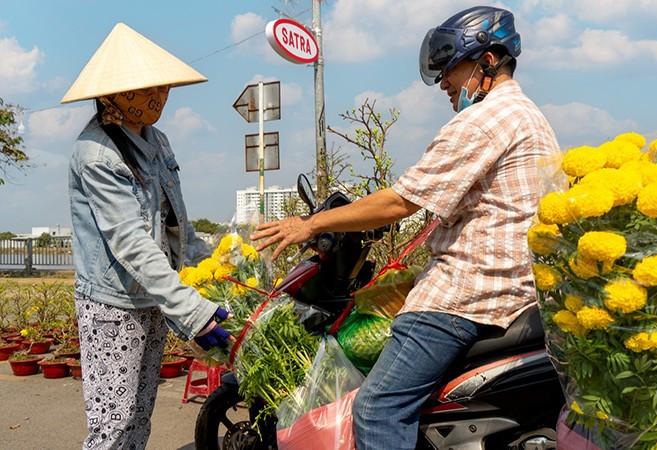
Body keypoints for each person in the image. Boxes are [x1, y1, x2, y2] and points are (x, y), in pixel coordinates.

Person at [251, 6, 560, 449]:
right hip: (514, 287)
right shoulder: (530, 116)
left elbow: (400, 200)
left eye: (451, 70)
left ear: (487, 62)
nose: (444, 84)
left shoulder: (484, 120)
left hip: (464, 295)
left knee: (378, 409)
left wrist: (310, 223)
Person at [62, 23, 232, 450]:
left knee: (139, 419)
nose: (157, 98)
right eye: (143, 90)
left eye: (163, 88)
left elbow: (176, 226)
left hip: (154, 297)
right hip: (113, 306)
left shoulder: (157, 141)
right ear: (112, 94)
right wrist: (191, 310)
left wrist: (212, 277)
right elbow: (131, 243)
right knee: (113, 426)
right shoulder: (97, 152)